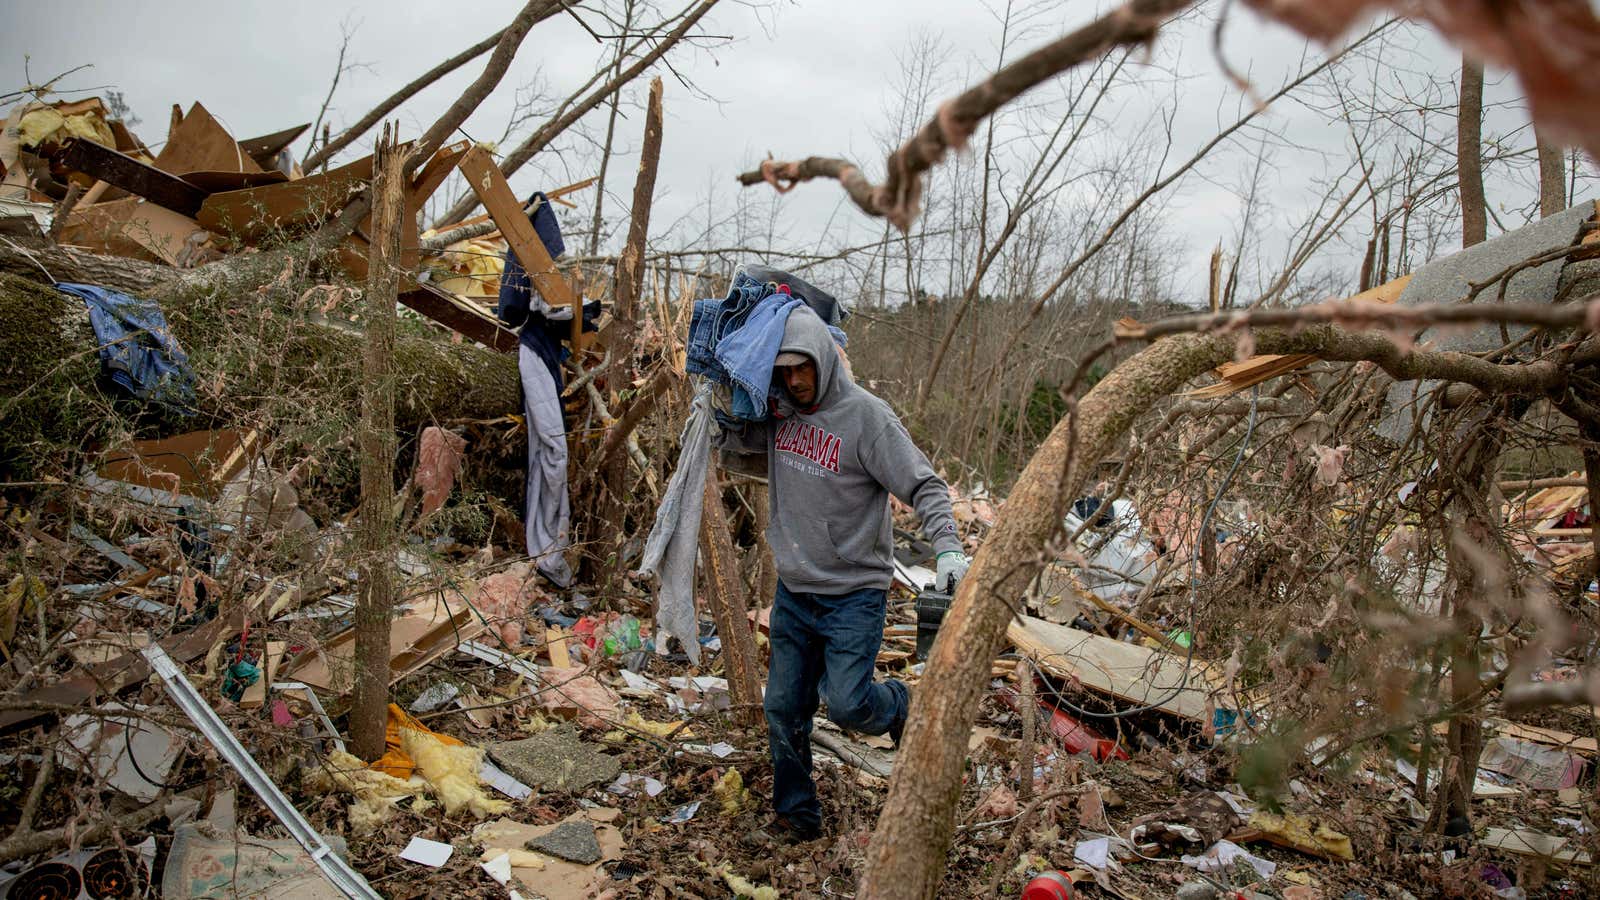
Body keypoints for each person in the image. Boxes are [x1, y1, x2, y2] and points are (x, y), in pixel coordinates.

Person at [721, 303, 969, 842]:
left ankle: (900, 704)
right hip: (795, 590)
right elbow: (733, 449)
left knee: (849, 704)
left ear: (824, 361)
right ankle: (797, 816)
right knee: (783, 707)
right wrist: (718, 405)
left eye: (802, 367)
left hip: (854, 592)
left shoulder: (867, 418)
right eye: (783, 370)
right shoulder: (777, 411)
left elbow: (924, 485)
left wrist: (947, 546)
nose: (794, 380)